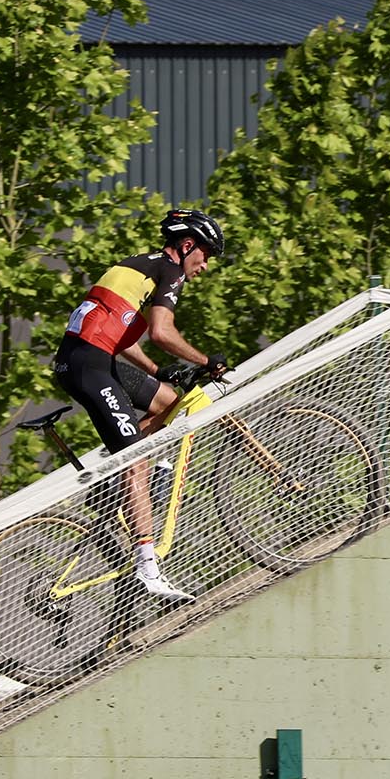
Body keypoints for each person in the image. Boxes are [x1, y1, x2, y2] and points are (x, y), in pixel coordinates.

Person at [53, 208, 228, 602]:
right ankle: (147, 567)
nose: (204, 266)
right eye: (205, 255)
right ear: (187, 246)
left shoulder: (137, 265)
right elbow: (162, 332)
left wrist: (155, 370)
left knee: (170, 400)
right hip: (90, 367)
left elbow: (121, 331)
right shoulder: (171, 271)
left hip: (90, 360)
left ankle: (119, 480)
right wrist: (206, 361)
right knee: (137, 461)